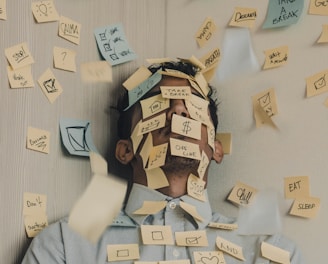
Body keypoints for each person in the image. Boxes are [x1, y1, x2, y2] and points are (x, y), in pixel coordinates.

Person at [22, 59, 304, 263]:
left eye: (192, 105)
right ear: (125, 151)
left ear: (216, 150)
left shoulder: (273, 254)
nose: (177, 109)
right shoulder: (65, 246)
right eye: (158, 102)